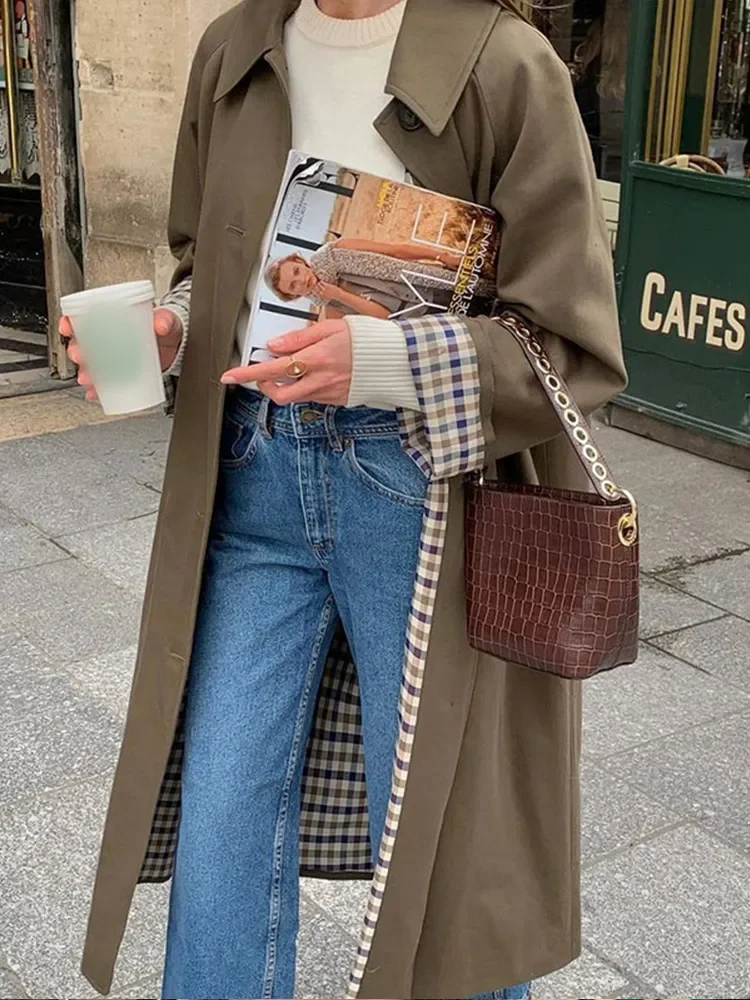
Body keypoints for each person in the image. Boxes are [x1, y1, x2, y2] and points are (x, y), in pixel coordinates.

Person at [69, 1, 627, 999]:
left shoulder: (508, 66)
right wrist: (170, 329)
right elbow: (212, 269)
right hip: (255, 476)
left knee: (444, 843)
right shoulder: (234, 50)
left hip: (423, 494)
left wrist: (380, 357)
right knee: (222, 829)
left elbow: (571, 343)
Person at [264, 237, 484, 320]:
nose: (301, 280)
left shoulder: (338, 251)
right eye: (293, 286)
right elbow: (384, 316)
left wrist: (441, 256)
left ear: (301, 263)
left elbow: (394, 251)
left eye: (296, 272)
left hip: (429, 281)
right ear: (294, 296)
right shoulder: (332, 312)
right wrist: (339, 295)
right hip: (427, 317)